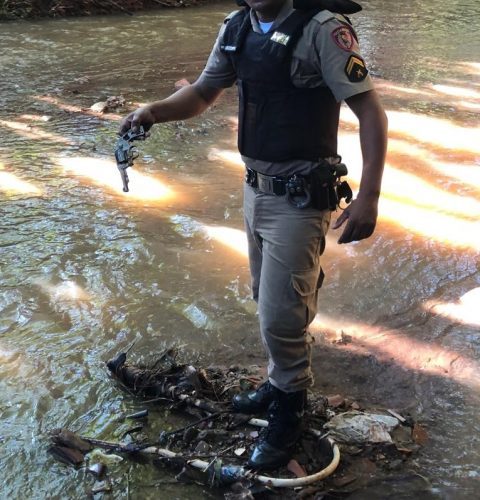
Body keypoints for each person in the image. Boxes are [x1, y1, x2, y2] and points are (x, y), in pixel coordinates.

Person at [119, 0, 388, 470]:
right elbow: (203, 93)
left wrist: (369, 196)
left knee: (282, 313)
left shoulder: (322, 30)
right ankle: (278, 381)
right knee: (266, 298)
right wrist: (152, 112)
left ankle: (290, 412)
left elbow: (370, 113)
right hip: (255, 188)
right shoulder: (237, 27)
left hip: (301, 195)